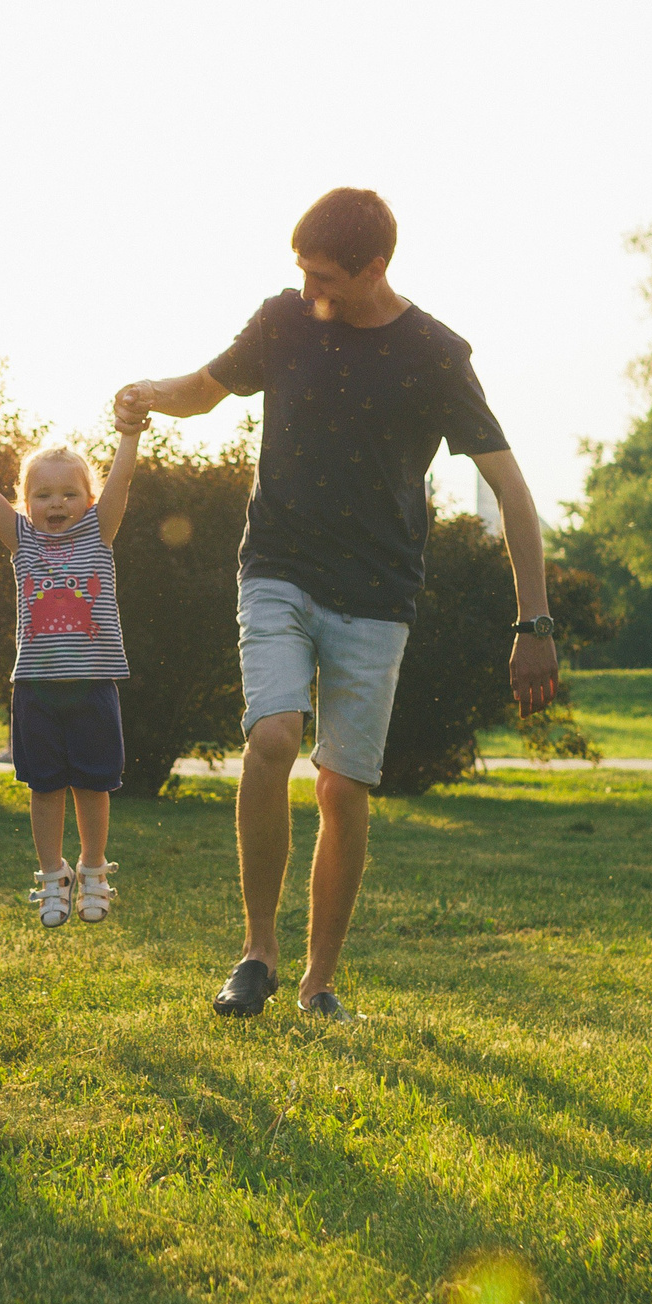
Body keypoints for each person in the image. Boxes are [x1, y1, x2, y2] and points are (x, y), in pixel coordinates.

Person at [116, 187, 560, 1021]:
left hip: (377, 596)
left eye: (326, 276)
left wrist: (532, 620)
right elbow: (205, 389)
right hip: (278, 567)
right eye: (302, 272)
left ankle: (319, 981)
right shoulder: (284, 322)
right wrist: (147, 392)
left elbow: (509, 487)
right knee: (273, 735)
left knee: (340, 789)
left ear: (376, 267)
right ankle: (257, 953)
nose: (311, 289)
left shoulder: (435, 352)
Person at [0, 406, 143, 928]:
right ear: (26, 503)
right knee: (45, 787)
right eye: (43, 494)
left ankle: (93, 867)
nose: (56, 503)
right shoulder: (23, 542)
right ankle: (51, 874)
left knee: (94, 784)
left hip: (93, 684)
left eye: (69, 493)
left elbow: (122, 480)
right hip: (36, 687)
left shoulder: (98, 533)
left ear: (89, 499)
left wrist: (129, 434)